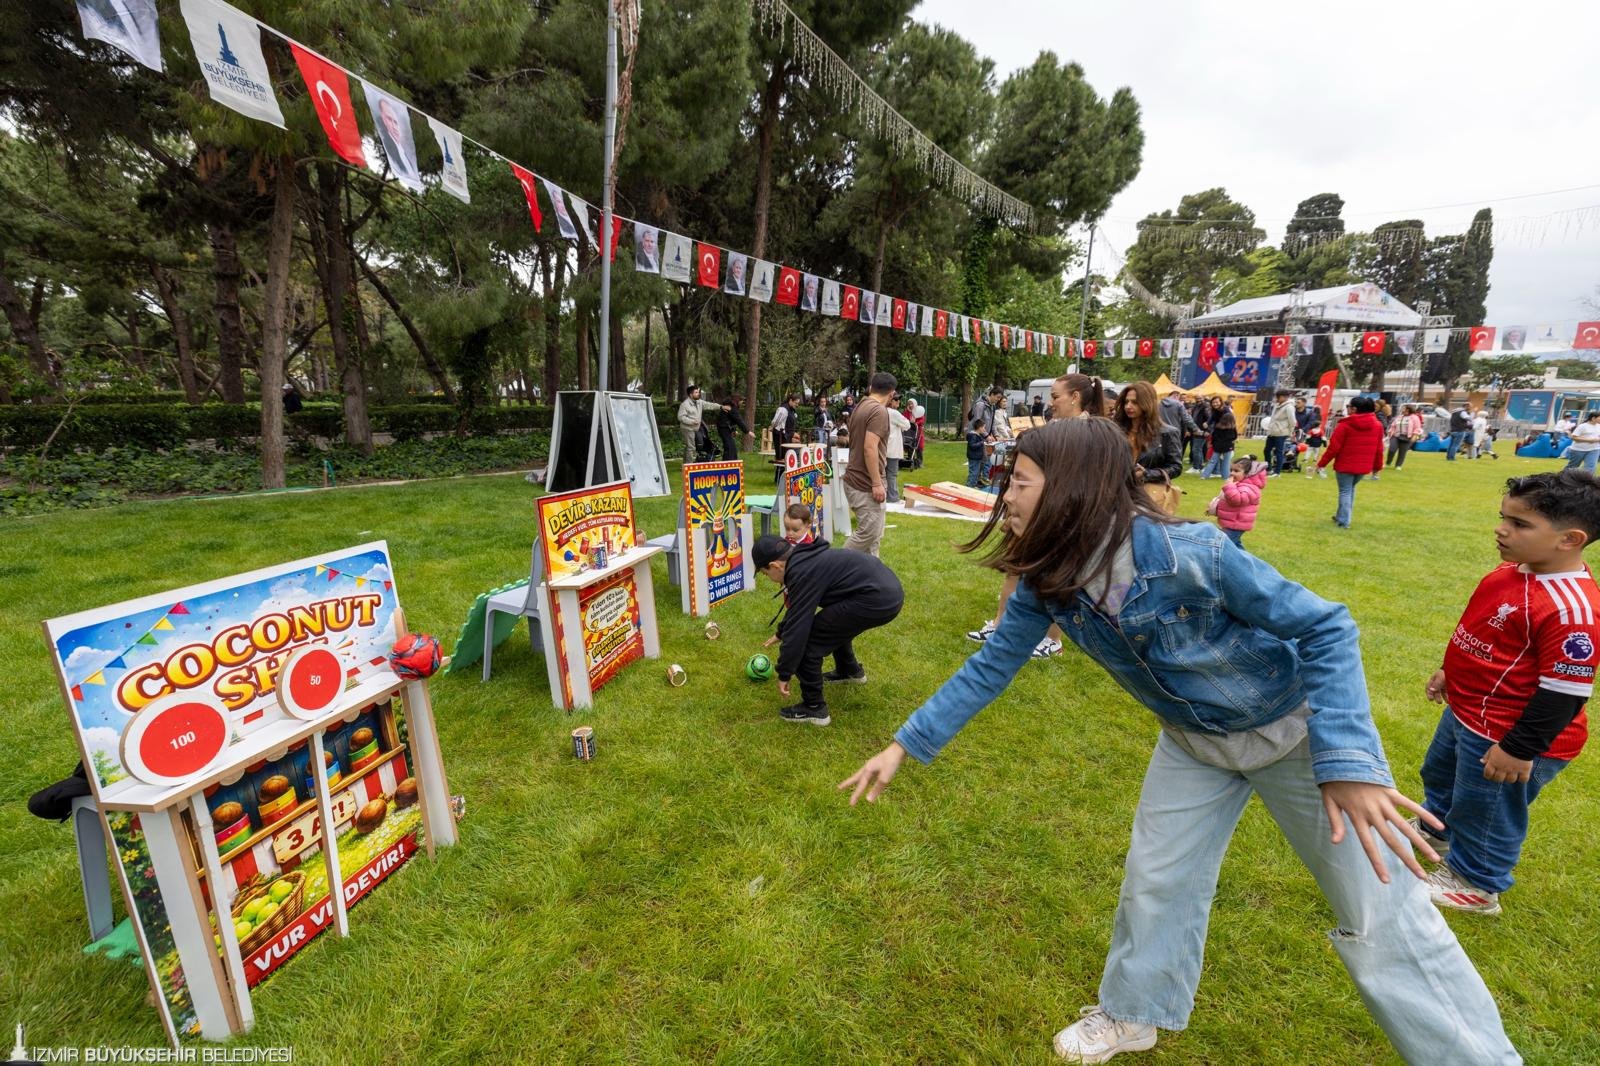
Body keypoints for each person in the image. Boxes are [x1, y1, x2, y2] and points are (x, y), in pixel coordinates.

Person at [838, 418, 1519, 1065]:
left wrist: (1347, 762)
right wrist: (905, 744)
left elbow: (1327, 628)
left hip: (1293, 736)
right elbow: (990, 667)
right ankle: (1135, 1011)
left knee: (1381, 912)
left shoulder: (1196, 554)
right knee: (1156, 883)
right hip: (1195, 745)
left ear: (1074, 485)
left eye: (1019, 481)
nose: (1003, 494)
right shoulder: (1049, 580)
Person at [1416, 470, 1600, 917]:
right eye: (1504, 518)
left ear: (1569, 539)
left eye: (1519, 525)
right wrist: (1450, 669)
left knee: (1488, 810)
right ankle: (1434, 830)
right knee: (1440, 777)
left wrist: (1518, 749)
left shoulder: (1572, 609)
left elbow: (1565, 693)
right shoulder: (1511, 571)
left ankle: (1476, 883)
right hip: (1468, 713)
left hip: (1510, 735)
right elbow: (1487, 633)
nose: (1502, 530)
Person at [967, 373, 1101, 658]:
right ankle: (1000, 624)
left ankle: (1053, 640)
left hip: (1062, 517)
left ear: (1075, 397)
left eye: (1056, 397)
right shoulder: (1058, 425)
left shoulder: (1086, 430)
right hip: (1036, 513)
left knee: (1057, 579)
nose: (1051, 403)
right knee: (1015, 569)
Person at [753, 533, 903, 726]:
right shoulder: (803, 559)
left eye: (766, 574)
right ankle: (849, 670)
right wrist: (781, 632)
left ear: (775, 566)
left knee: (808, 644)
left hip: (877, 598)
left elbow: (799, 630)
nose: (769, 578)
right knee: (832, 624)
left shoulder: (801, 572)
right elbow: (800, 608)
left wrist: (784, 672)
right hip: (886, 590)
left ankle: (814, 708)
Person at [842, 372, 896, 556]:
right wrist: (876, 483)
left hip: (855, 480)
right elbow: (869, 448)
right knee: (868, 533)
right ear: (891, 394)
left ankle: (871, 580)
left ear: (872, 387)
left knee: (874, 537)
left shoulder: (860, 406)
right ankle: (830, 568)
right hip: (865, 484)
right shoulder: (879, 411)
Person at [1318, 397, 1385, 529]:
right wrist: (1377, 467)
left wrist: (1322, 463)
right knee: (1350, 490)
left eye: (1349, 406)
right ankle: (1341, 516)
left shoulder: (1345, 425)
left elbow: (1333, 448)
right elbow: (1379, 449)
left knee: (1345, 491)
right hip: (1363, 466)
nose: (1347, 408)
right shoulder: (1377, 426)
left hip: (1345, 465)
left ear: (1354, 409)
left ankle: (1344, 520)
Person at [1115, 381, 1183, 484]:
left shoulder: (1167, 433)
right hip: (1118, 490)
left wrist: (1147, 474)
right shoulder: (1116, 430)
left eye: (1134, 402)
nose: (1128, 406)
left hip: (1147, 493)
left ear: (1147, 403)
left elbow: (1176, 467)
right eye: (1126, 402)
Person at [1210, 455, 1267, 549]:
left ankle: (1242, 561)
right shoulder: (1239, 485)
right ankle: (1246, 561)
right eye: (1231, 470)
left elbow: (1237, 500)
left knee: (1222, 545)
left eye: (1236, 471)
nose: (1232, 473)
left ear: (1247, 474)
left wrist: (1229, 487)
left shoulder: (1249, 488)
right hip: (1232, 522)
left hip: (1236, 523)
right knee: (1235, 546)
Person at [677, 384, 726, 464]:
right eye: (696, 392)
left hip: (695, 428)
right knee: (691, 447)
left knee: (689, 447)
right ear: (691, 394)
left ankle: (685, 464)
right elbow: (681, 417)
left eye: (698, 392)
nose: (698, 394)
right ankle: (689, 466)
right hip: (687, 428)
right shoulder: (685, 404)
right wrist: (691, 421)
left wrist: (721, 407)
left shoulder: (699, 402)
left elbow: (710, 405)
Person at [1263, 389, 1297, 476]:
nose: (1276, 399)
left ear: (1283, 397)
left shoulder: (1289, 406)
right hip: (1272, 432)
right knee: (1267, 450)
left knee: (1279, 452)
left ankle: (1277, 472)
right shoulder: (1277, 405)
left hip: (1281, 433)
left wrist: (1290, 432)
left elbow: (1292, 421)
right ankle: (1269, 469)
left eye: (1278, 397)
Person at [1200, 405, 1238, 479]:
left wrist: (1214, 444)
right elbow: (1234, 437)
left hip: (1217, 446)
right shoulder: (1232, 428)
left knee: (1212, 461)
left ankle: (1204, 476)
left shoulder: (1218, 427)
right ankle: (1226, 477)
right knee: (1226, 462)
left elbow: (1214, 436)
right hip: (1227, 446)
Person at [885, 397, 911, 504]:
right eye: (896, 400)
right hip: (892, 448)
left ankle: (886, 496)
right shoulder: (894, 413)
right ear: (890, 401)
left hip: (883, 447)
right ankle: (892, 497)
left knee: (884, 474)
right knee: (892, 473)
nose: (898, 402)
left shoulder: (881, 411)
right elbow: (907, 425)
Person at [1295, 397, 1325, 479]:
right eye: (1296, 402)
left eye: (1298, 402)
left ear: (1304, 403)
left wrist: (1303, 430)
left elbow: (1310, 423)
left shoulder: (1310, 413)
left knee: (1299, 447)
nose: (1296, 404)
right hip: (1297, 432)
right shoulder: (1294, 411)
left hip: (1304, 433)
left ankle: (1298, 461)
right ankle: (1294, 461)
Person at [717, 396, 750, 461]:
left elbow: (731, 420)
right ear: (738, 400)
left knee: (731, 447)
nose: (743, 403)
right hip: (724, 429)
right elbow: (738, 420)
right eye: (742, 401)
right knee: (729, 446)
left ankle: (732, 462)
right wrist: (747, 431)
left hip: (724, 428)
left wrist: (734, 430)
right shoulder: (732, 408)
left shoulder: (730, 407)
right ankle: (728, 463)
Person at [1187, 395, 1213, 470]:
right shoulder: (1195, 407)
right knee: (1198, 449)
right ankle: (1200, 466)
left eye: (1200, 398)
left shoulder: (1205, 407)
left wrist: (1208, 430)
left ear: (1203, 398)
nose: (1198, 400)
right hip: (1196, 430)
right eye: (1197, 398)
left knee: (1196, 449)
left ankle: (1196, 467)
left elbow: (1210, 420)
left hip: (1202, 431)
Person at [965, 418, 989, 489]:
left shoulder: (978, 435)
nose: (984, 430)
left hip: (977, 457)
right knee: (973, 473)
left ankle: (973, 484)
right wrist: (982, 443)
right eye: (984, 427)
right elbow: (972, 445)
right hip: (974, 458)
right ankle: (969, 486)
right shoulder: (973, 435)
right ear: (979, 428)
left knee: (976, 473)